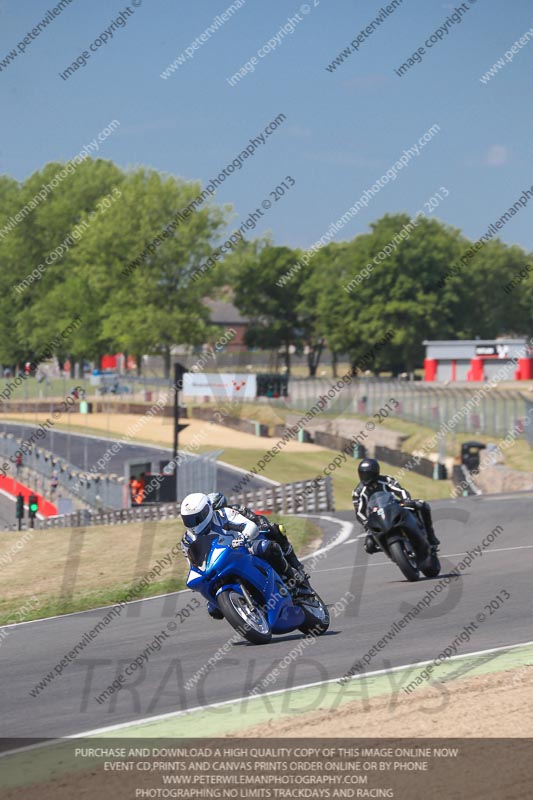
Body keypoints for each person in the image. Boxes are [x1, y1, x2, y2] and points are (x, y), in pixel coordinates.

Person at [180, 492, 310, 620]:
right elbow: (193, 564)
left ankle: (292, 578)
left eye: (196, 518)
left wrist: (244, 537)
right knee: (214, 610)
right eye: (188, 520)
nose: (193, 523)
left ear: (207, 511)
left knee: (269, 548)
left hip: (244, 549)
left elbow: (250, 526)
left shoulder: (223, 514)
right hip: (217, 565)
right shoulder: (187, 540)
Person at [352, 458, 440, 555]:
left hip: (392, 507)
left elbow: (400, 491)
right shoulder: (358, 492)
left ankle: (430, 536)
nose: (365, 477)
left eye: (368, 474)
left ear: (375, 473)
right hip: (375, 519)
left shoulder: (386, 480)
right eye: (362, 474)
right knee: (369, 546)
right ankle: (392, 551)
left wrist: (406, 500)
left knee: (422, 504)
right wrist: (366, 523)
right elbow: (359, 512)